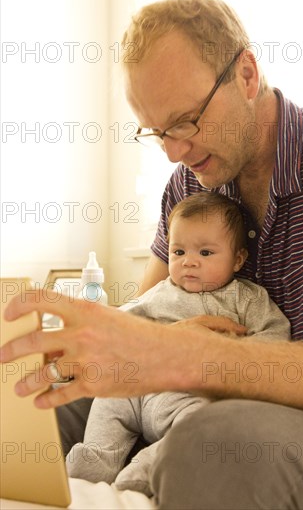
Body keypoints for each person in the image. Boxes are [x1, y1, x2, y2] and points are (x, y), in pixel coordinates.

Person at [1, 0, 303, 509]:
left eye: (187, 120)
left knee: (212, 441)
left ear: (246, 74)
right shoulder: (188, 184)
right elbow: (146, 325)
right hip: (170, 407)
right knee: (27, 408)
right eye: (157, 132)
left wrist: (182, 356)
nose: (174, 151)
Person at [66, 192, 290, 496]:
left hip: (188, 396)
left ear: (238, 259)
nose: (189, 263)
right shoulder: (161, 291)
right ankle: (92, 462)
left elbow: (276, 336)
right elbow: (122, 325)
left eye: (206, 254)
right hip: (138, 386)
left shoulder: (246, 298)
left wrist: (238, 353)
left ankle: (148, 467)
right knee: (108, 400)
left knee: (199, 423)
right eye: (179, 252)